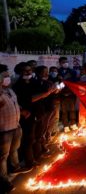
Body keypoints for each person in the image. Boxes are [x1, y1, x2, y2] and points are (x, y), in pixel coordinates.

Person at [0, 64, 30, 192]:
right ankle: (3, 181)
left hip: (15, 125)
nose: (8, 78)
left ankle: (16, 167)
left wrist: (21, 111)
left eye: (8, 75)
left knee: (14, 150)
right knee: (2, 156)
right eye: (5, 76)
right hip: (4, 129)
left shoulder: (9, 90)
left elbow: (14, 103)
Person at [57, 57, 79, 133]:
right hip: (62, 94)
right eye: (63, 62)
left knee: (72, 109)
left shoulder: (72, 71)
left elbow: (75, 81)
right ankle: (65, 125)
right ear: (60, 63)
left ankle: (73, 123)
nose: (65, 63)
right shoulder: (57, 72)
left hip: (71, 93)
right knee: (64, 110)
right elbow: (56, 83)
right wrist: (61, 80)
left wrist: (65, 80)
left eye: (66, 62)